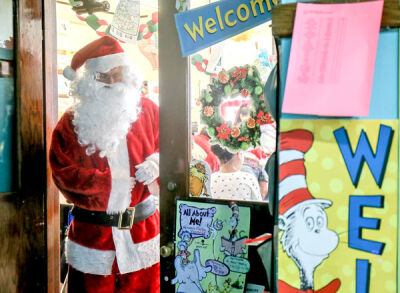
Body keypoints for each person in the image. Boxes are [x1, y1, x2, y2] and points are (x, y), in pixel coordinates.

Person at [50, 36, 160, 292]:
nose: (111, 81)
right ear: (88, 82)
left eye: (117, 74)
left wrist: (157, 162)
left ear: (128, 73)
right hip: (93, 241)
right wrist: (113, 183)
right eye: (102, 76)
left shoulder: (150, 111)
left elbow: (174, 149)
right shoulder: (70, 123)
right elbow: (62, 172)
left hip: (142, 235)